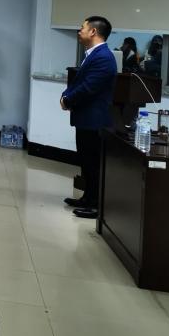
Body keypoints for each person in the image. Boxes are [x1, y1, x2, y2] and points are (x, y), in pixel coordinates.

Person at [61, 16, 118, 220]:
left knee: (94, 164)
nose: (79, 31)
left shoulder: (103, 57)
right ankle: (87, 197)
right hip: (86, 118)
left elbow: (88, 87)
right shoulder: (93, 54)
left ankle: (96, 205)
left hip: (95, 120)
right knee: (86, 161)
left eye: (82, 28)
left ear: (93, 31)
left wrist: (68, 100)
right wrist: (66, 96)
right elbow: (78, 81)